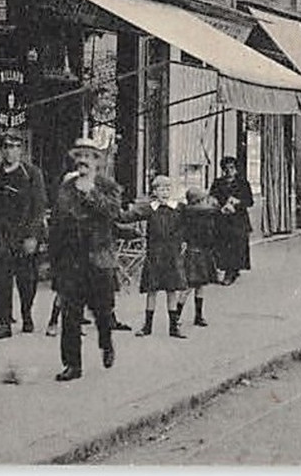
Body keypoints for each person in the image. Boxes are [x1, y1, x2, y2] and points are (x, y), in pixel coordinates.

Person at [46, 138, 121, 381]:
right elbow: (57, 222)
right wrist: (54, 261)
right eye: (79, 156)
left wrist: (91, 193)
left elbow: (113, 212)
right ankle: (72, 365)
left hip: (98, 259)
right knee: (70, 314)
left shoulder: (107, 186)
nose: (83, 160)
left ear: (97, 162)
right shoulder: (66, 188)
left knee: (102, 311)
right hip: (71, 260)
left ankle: (106, 342)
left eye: (88, 156)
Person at [0, 130, 48, 339]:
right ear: (1, 150)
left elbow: (39, 207)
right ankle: (4, 323)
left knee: (27, 280)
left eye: (14, 147)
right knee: (1, 280)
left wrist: (32, 236)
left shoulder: (31, 174)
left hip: (25, 235)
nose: (10, 151)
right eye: (6, 147)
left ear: (21, 149)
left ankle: (27, 313)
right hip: (2, 235)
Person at [125, 175, 189, 337]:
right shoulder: (150, 208)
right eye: (161, 189)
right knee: (151, 290)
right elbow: (128, 216)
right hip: (155, 255)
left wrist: (184, 241)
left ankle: (174, 327)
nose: (165, 192)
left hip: (172, 255)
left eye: (167, 188)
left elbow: (191, 222)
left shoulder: (179, 208)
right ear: (154, 191)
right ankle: (147, 326)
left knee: (171, 290)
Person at [209, 156, 254, 284]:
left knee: (236, 245)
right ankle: (227, 269)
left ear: (236, 169)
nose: (229, 171)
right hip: (222, 218)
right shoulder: (218, 182)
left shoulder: (243, 183)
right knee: (223, 245)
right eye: (226, 168)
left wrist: (238, 202)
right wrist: (218, 205)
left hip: (238, 220)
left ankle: (232, 272)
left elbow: (249, 201)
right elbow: (212, 197)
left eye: (232, 168)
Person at [180, 188, 221, 327]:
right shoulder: (194, 212)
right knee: (190, 286)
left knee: (200, 285)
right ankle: (177, 316)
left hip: (202, 251)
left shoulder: (198, 212)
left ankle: (198, 316)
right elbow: (209, 210)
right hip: (195, 251)